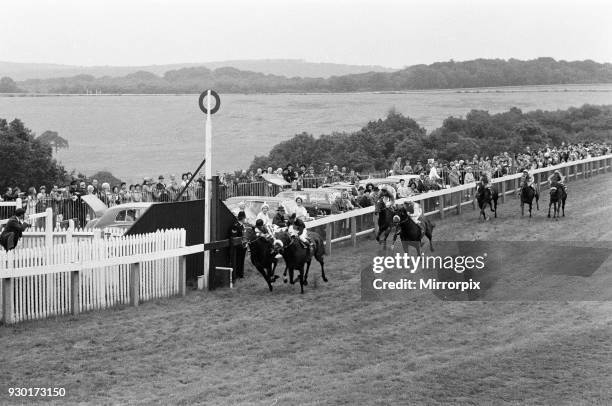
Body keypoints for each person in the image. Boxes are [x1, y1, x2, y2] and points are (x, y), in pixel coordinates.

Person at [230, 211, 248, 279]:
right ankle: (237, 275)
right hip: (238, 247)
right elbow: (234, 237)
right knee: (237, 261)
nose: (245, 219)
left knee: (241, 261)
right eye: (244, 218)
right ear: (242, 218)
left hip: (243, 246)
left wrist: (245, 244)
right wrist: (241, 245)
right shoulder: (235, 226)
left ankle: (241, 274)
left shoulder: (243, 225)